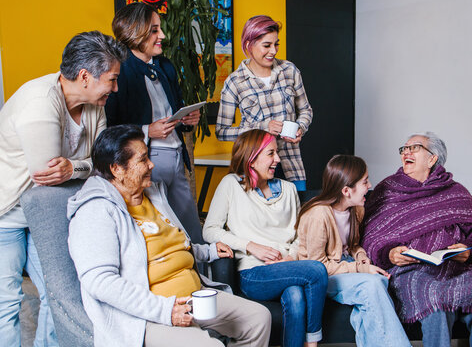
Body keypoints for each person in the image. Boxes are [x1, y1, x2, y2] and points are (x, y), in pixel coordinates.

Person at [67, 125, 271, 347]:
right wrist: (165, 310)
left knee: (257, 319)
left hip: (194, 295)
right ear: (117, 169)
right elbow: (100, 281)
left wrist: (207, 251)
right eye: (143, 159)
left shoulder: (153, 195)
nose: (151, 164)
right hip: (148, 314)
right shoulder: (95, 211)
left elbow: (171, 243)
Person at [0, 31, 127, 347]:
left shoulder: (94, 105)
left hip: (52, 215)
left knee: (59, 296)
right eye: (111, 79)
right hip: (8, 216)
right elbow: (47, 177)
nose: (115, 87)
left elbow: (100, 162)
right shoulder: (39, 102)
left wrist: (74, 167)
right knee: (7, 304)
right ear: (85, 76)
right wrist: (81, 167)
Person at [362, 132, 472, 347]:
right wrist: (390, 253)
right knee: (433, 299)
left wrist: (470, 250)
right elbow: (369, 235)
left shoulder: (455, 192)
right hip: (411, 271)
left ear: (432, 158)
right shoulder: (387, 190)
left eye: (414, 147)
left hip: (456, 268)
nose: (406, 152)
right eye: (404, 149)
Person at [203, 129, 327, 347]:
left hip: (287, 268)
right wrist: (251, 246)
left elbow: (299, 236)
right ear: (252, 157)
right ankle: (312, 343)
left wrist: (290, 258)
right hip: (254, 272)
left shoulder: (288, 190)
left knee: (296, 296)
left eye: (276, 153)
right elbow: (210, 230)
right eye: (271, 153)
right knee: (317, 270)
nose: (277, 159)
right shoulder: (231, 185)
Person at [105, 2, 204, 243]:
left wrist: (187, 120)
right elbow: (108, 128)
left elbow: (174, 110)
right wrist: (147, 130)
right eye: (154, 30)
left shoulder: (165, 66)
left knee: (192, 229)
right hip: (145, 160)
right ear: (135, 32)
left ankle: (203, 278)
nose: (162, 35)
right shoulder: (120, 70)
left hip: (176, 157)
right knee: (158, 231)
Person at [295, 155, 411, 347]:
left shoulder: (356, 210)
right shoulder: (319, 215)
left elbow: (353, 245)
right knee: (371, 285)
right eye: (365, 181)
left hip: (344, 265)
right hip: (320, 277)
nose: (370, 185)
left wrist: (362, 258)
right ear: (347, 190)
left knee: (378, 283)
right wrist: (362, 269)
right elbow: (316, 267)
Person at [216, 15, 313, 192]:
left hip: (292, 165)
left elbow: (306, 110)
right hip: (255, 169)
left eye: (276, 44)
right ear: (248, 45)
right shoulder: (235, 82)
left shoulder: (289, 71)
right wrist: (262, 128)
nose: (273, 51)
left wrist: (300, 127)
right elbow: (222, 132)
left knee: (295, 216)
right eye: (266, 45)